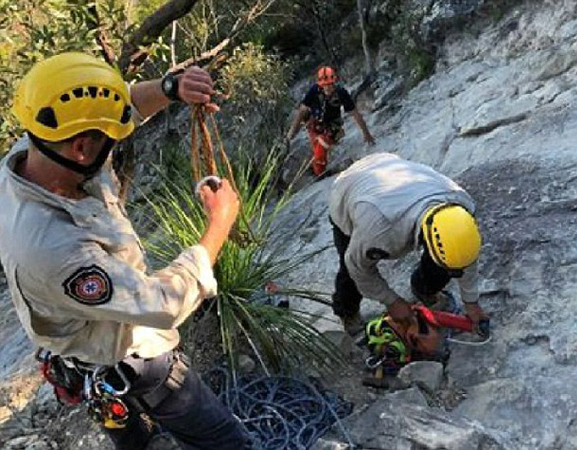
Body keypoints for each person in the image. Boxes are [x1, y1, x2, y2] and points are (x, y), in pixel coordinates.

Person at [0, 52, 251, 450]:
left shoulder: (36, 150)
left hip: (84, 363)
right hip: (137, 360)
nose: (117, 140)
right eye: (109, 139)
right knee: (227, 443)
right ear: (83, 148)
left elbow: (123, 106)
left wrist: (171, 88)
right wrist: (219, 224)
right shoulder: (57, 248)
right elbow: (162, 304)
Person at [328, 152, 489, 336]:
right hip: (350, 189)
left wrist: (471, 303)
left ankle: (424, 289)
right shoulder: (380, 228)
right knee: (350, 271)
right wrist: (391, 301)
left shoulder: (462, 208)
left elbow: (465, 256)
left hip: (396, 177)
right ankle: (347, 311)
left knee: (447, 262)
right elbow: (357, 266)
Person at [285, 66, 375, 176]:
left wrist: (366, 134)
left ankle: (319, 173)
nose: (327, 88)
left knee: (321, 149)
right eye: (325, 85)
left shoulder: (341, 93)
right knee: (317, 148)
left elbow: (355, 114)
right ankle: (317, 169)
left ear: (334, 82)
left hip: (332, 125)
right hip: (315, 124)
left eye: (330, 84)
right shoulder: (314, 90)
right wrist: (291, 133)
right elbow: (302, 111)